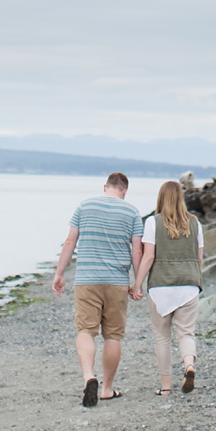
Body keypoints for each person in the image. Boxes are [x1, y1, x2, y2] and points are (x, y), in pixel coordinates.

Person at [52, 172, 144, 407]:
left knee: (86, 331)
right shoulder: (131, 211)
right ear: (125, 191)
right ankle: (107, 389)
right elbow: (137, 251)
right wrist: (137, 283)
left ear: (105, 187)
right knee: (113, 335)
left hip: (87, 279)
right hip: (116, 282)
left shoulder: (84, 206)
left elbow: (70, 242)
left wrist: (59, 274)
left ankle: (88, 377)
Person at [133, 180, 204, 395]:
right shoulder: (195, 223)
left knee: (162, 337)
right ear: (181, 198)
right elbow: (199, 259)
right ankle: (189, 365)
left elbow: (149, 257)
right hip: (189, 286)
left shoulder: (153, 223)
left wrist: (137, 284)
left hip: (161, 286)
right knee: (186, 333)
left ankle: (165, 387)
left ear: (161, 198)